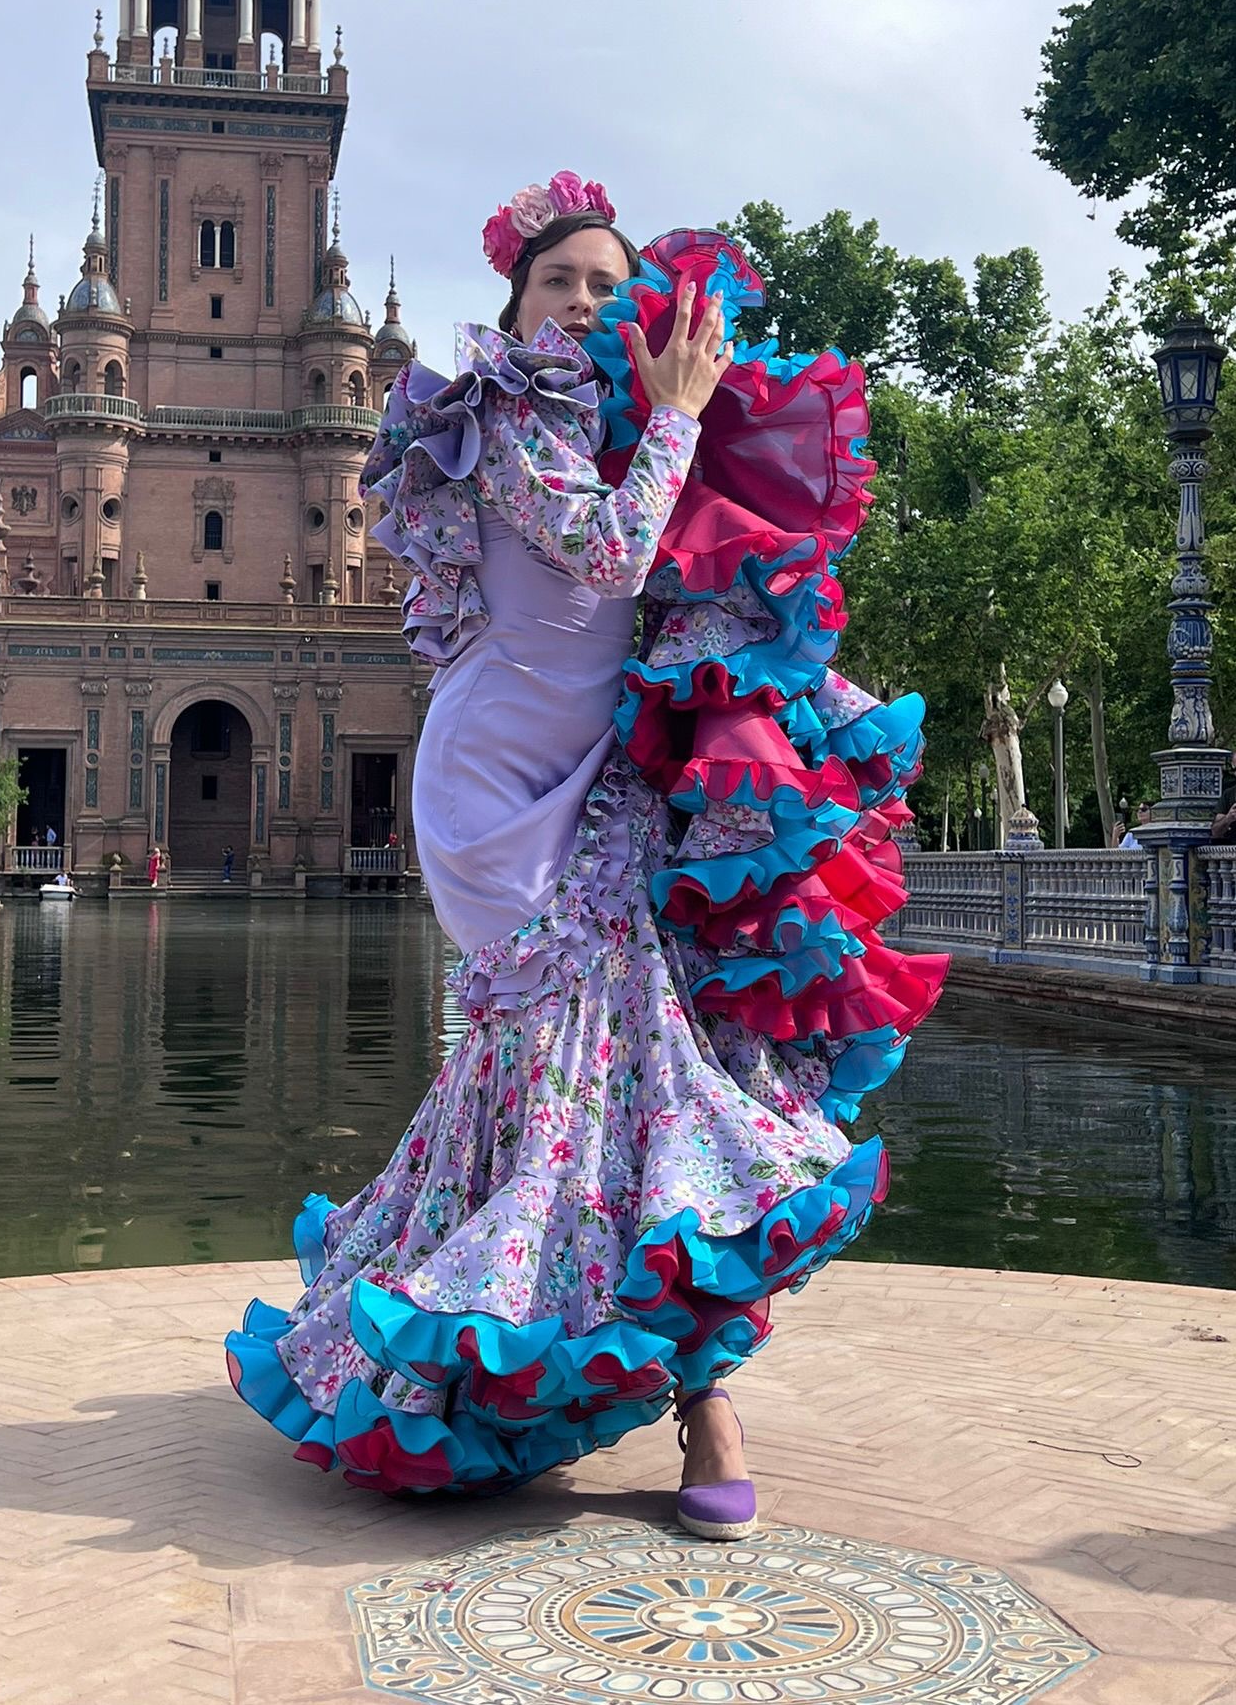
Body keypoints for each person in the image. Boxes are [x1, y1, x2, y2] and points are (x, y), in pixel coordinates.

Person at [227, 173, 944, 1535]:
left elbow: (685, 585)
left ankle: (688, 1391)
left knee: (662, 1061)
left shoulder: (628, 423)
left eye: (612, 284)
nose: (588, 302)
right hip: (495, 786)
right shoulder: (505, 412)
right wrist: (672, 417)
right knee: (560, 1068)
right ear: (515, 305)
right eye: (562, 281)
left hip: (607, 776)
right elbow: (606, 558)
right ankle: (523, 1361)